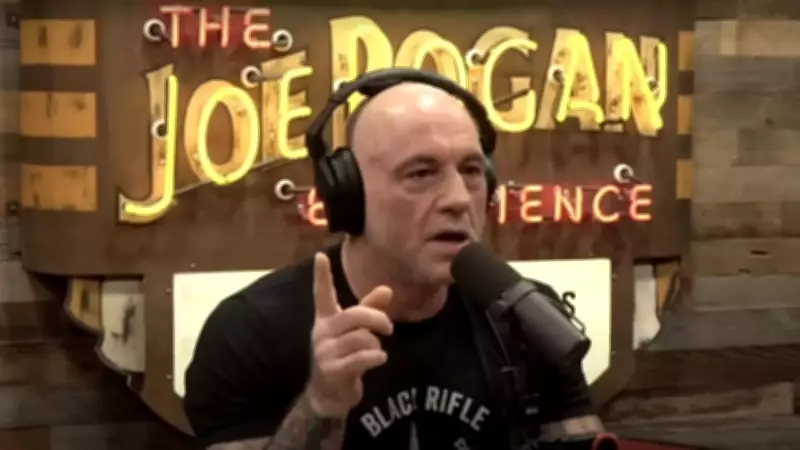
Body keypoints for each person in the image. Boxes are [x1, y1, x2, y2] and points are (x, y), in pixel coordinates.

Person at [183, 75, 604, 450]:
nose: (459, 199)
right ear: (349, 196)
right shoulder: (249, 332)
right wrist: (321, 404)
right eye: (421, 173)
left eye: (472, 171)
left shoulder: (526, 317)